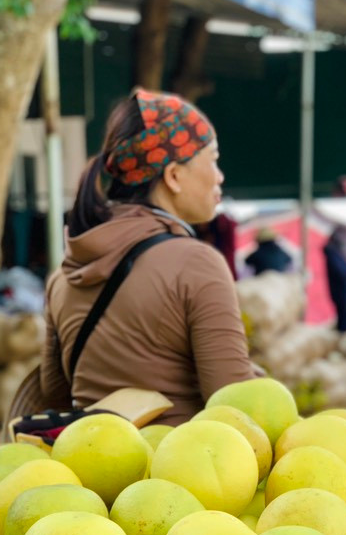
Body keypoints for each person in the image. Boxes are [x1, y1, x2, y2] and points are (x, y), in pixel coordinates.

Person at [41, 88, 257, 425]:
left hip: (89, 468)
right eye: (213, 159)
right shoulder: (196, 264)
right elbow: (233, 406)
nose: (220, 176)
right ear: (173, 176)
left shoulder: (65, 273)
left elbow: (53, 394)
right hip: (180, 471)